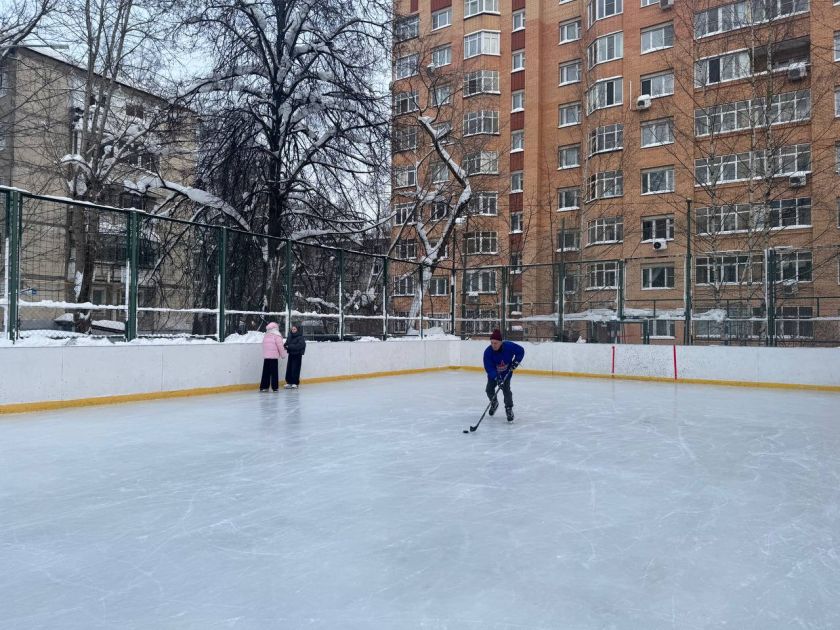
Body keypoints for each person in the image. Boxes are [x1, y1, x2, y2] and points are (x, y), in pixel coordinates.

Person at [483, 328, 525, 422]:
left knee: (506, 391)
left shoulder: (509, 346)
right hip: (494, 375)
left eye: (495, 343)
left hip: (506, 373)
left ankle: (509, 408)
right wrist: (497, 378)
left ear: (501, 342)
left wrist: (516, 361)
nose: (493, 345)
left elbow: (521, 351)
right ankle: (494, 403)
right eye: (492, 343)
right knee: (489, 389)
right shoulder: (488, 352)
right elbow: (489, 367)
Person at [260, 322, 287, 392]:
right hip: (274, 357)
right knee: (274, 373)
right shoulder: (277, 335)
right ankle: (275, 387)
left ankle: (264, 387)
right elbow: (280, 346)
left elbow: (264, 345)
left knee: (265, 372)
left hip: (267, 357)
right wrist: (283, 355)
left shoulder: (266, 335)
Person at [283, 323, 306, 389]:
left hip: (297, 355)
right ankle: (289, 382)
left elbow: (300, 346)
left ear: (297, 330)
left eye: (294, 329)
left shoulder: (300, 337)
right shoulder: (290, 336)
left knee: (295, 369)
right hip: (291, 354)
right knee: (289, 368)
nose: (293, 330)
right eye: (292, 329)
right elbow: (287, 343)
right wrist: (285, 345)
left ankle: (295, 382)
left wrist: (289, 346)